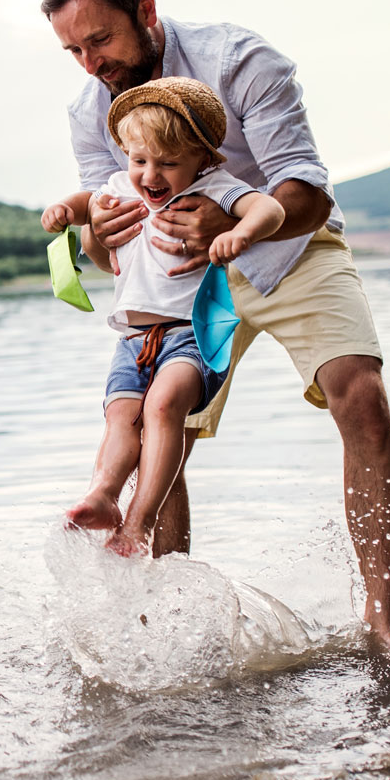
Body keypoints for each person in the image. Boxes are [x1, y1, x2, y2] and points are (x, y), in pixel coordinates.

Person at [36, 0, 390, 653]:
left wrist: (233, 220)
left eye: (100, 40)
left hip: (289, 247)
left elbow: (304, 184)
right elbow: (103, 251)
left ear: (145, 9)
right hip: (182, 281)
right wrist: (97, 236)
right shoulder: (91, 110)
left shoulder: (239, 59)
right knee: (153, 427)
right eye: (73, 51)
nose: (92, 64)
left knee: (359, 392)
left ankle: (380, 617)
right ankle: (167, 623)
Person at [47, 78, 285, 561]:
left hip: (193, 336)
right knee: (121, 417)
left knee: (161, 408)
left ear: (202, 159)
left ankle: (141, 519)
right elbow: (84, 201)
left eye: (168, 163)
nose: (149, 174)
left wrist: (240, 231)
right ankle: (104, 495)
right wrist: (61, 212)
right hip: (133, 339)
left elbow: (271, 207)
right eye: (139, 160)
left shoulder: (217, 189)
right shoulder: (119, 188)